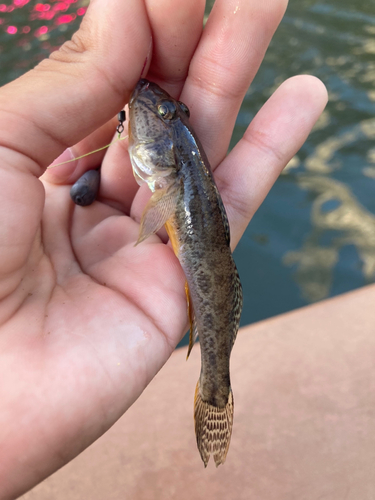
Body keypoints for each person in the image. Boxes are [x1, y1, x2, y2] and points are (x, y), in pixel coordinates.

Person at [0, 0, 327, 497]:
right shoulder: (164, 165)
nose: (153, 110)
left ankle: (214, 387)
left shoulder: (167, 171)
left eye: (166, 114)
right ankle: (215, 386)